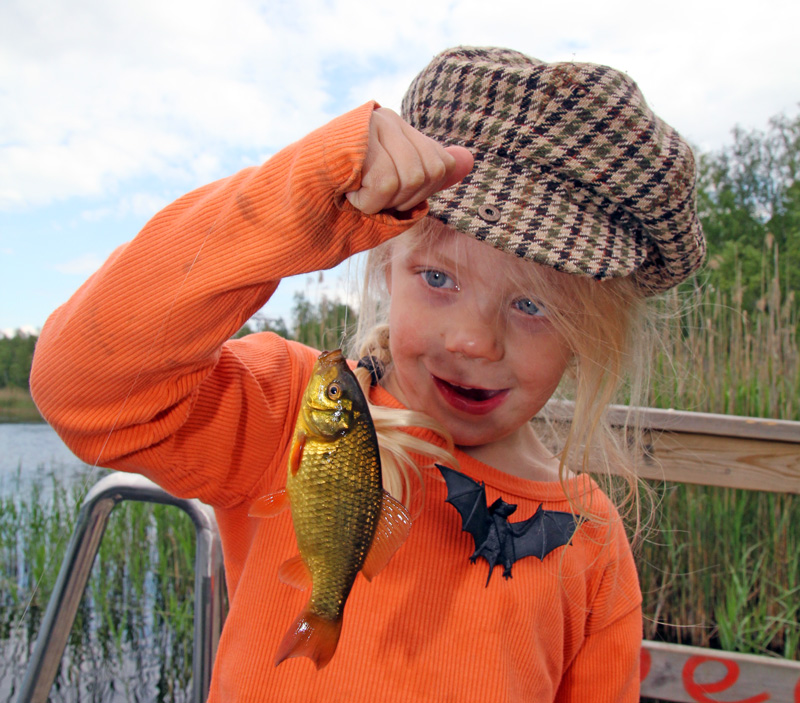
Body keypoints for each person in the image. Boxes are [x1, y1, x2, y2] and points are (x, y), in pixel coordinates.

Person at [30, 46, 705, 702]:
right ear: (384, 264)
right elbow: (80, 385)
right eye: (437, 276)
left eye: (533, 305)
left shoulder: (591, 538)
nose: (473, 340)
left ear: (589, 332)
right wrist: (299, 194)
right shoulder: (290, 411)